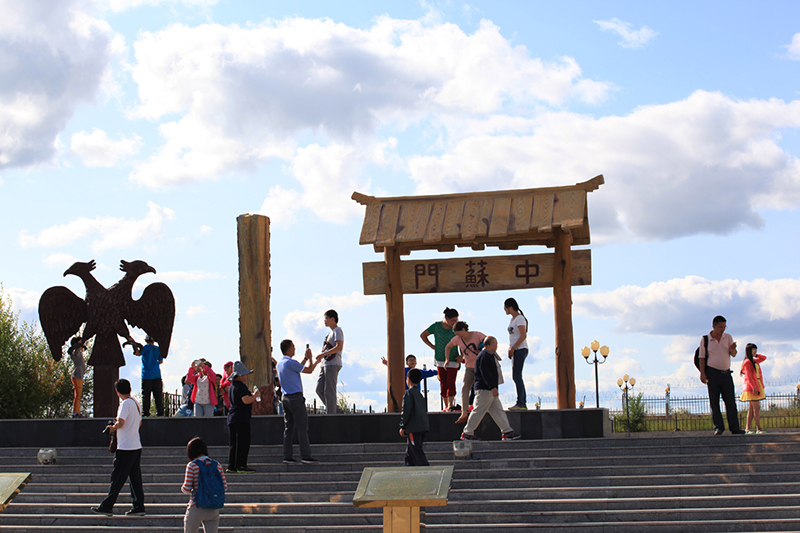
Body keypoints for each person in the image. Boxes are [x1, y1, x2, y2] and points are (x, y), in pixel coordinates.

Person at [91, 379, 145, 517]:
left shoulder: (125, 404)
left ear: (117, 392)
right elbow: (139, 424)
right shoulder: (136, 403)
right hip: (136, 445)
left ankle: (107, 506)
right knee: (135, 478)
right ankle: (138, 506)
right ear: (130, 389)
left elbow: (121, 423)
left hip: (125, 447)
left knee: (117, 477)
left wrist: (112, 428)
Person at [460, 337, 520, 441]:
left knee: (498, 411)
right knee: (478, 411)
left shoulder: (487, 355)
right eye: (496, 344)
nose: (497, 347)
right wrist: (492, 387)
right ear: (490, 344)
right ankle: (467, 433)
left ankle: (507, 432)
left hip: (489, 390)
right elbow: (486, 373)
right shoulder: (484, 356)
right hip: (485, 389)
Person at [276, 339, 322, 464]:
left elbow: (297, 368)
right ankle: (305, 455)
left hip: (285, 398)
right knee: (302, 427)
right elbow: (309, 370)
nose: (295, 349)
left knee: (288, 428)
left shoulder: (280, 364)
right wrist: (311, 359)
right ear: (289, 348)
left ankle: (287, 456)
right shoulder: (291, 362)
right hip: (295, 398)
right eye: (293, 347)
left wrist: (305, 359)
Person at [698, 315, 746, 435]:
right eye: (720, 327)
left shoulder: (728, 337)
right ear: (713, 326)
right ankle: (719, 427)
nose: (722, 329)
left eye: (724, 327)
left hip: (726, 373)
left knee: (730, 402)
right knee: (714, 402)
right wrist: (702, 373)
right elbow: (702, 357)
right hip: (712, 373)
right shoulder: (705, 340)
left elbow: (733, 354)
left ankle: (734, 427)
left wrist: (733, 348)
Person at [181, 436, 227, 533]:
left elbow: (187, 488)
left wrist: (183, 488)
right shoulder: (217, 465)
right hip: (213, 508)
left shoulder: (192, 465)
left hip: (196, 506)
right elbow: (224, 487)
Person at [443, 322, 486, 424]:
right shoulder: (457, 339)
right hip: (469, 367)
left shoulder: (477, 335)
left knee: (482, 389)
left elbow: (489, 342)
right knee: (465, 387)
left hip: (481, 367)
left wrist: (482, 349)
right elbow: (448, 347)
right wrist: (447, 359)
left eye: (458, 333)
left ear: (463, 329)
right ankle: (464, 411)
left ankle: (483, 408)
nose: (458, 336)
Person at [420, 307, 460, 411]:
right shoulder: (436, 326)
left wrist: (462, 355)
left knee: (451, 382)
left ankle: (451, 404)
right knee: (443, 382)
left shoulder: (457, 327)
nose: (454, 322)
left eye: (456, 320)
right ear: (446, 318)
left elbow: (462, 339)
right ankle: (446, 405)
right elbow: (423, 335)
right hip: (440, 358)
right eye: (452, 320)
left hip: (453, 358)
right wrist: (432, 346)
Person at [227, 361, 261, 473]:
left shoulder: (232, 386)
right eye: (245, 374)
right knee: (243, 442)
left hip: (232, 418)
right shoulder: (241, 386)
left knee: (234, 443)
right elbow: (245, 400)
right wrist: (255, 396)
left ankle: (232, 465)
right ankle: (241, 465)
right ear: (240, 375)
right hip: (241, 418)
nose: (247, 376)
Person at [315, 309, 344, 414]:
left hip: (333, 363)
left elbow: (339, 347)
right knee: (319, 389)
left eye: (326, 318)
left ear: (332, 319)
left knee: (329, 391)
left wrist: (324, 354)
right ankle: (336, 410)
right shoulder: (330, 333)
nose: (325, 321)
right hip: (325, 364)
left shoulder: (337, 331)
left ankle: (331, 415)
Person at [399, 368, 430, 466]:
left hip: (413, 427)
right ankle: (409, 469)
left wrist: (403, 426)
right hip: (422, 426)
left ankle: (428, 471)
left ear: (408, 380)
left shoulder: (408, 393)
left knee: (416, 452)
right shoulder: (420, 395)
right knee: (410, 454)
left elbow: (406, 410)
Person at [504, 298, 529, 411]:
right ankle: (521, 402)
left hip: (520, 349)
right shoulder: (512, 319)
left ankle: (521, 402)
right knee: (516, 376)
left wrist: (513, 347)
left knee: (517, 376)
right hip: (515, 350)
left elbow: (523, 335)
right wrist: (510, 348)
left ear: (510, 307)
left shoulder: (520, 318)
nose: (505, 310)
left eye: (505, 308)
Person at [134, 335, 164, 417]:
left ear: (145, 340)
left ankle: (146, 413)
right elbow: (161, 361)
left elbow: (137, 353)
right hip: (156, 374)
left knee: (146, 396)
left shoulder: (145, 348)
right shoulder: (157, 348)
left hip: (146, 375)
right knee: (158, 395)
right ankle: (160, 413)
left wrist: (135, 347)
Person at [740, 343, 767, 434]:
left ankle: (747, 428)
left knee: (751, 409)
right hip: (753, 386)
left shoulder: (754, 361)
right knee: (756, 408)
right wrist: (754, 387)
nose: (755, 351)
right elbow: (748, 376)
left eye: (755, 349)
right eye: (753, 349)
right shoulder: (748, 362)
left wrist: (756, 355)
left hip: (757, 384)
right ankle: (759, 428)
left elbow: (763, 358)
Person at [68, 337, 87, 418]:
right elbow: (70, 351)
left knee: (79, 395)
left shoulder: (79, 352)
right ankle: (75, 412)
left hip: (80, 376)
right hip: (77, 375)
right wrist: (78, 345)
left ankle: (77, 411)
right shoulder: (75, 352)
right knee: (78, 395)